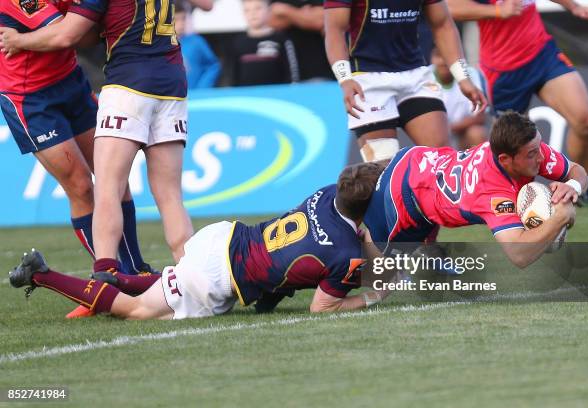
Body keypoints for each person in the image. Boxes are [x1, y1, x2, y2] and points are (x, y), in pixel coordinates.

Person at [9, 163, 391, 319]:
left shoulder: (328, 193)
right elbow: (321, 309)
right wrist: (373, 296)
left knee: (166, 282)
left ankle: (122, 278)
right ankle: (42, 275)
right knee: (138, 311)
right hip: (218, 275)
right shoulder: (344, 253)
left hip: (224, 237)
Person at [0, 0, 195, 275]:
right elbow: (69, 32)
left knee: (112, 186)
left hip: (93, 82)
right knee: (83, 187)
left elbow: (71, 34)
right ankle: (116, 278)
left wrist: (19, 40)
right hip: (31, 97)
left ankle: (128, 271)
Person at [447, 0, 588, 225]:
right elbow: (448, 7)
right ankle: (517, 211)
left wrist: (572, 6)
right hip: (503, 71)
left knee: (587, 119)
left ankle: (584, 191)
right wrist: (496, 10)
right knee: (512, 150)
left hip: (541, 53)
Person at [364, 112, 587, 268]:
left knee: (427, 265)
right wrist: (559, 218)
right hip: (400, 200)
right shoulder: (492, 193)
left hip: (420, 165)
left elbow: (578, 171)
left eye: (539, 147)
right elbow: (519, 255)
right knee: (369, 272)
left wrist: (572, 186)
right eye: (532, 154)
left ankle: (427, 253)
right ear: (505, 159)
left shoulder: (524, 146)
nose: (541, 156)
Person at [324, 0, 488, 164]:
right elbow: (334, 30)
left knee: (443, 160)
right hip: (368, 80)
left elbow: (443, 24)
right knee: (383, 171)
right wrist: (345, 79)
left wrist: (463, 77)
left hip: (414, 75)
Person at [229, 0, 299, 86]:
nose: (253, 14)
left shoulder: (282, 40)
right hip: (247, 97)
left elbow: (292, 74)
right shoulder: (238, 43)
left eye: (258, 8)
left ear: (268, 11)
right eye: (247, 10)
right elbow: (233, 76)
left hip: (277, 96)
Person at [431, 47, 487, 149]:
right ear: (431, 58)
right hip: (435, 137)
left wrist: (449, 128)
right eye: (439, 56)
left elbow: (480, 117)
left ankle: (479, 164)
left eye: (447, 57)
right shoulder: (424, 77)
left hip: (461, 135)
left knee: (477, 133)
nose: (443, 61)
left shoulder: (471, 74)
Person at [268, 0, 334, 81]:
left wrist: (286, 10)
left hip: (324, 72)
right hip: (287, 73)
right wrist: (305, 16)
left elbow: (322, 21)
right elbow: (271, 22)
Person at [175, 2, 221, 89]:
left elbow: (213, 65)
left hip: (196, 97)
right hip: (171, 99)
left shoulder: (196, 42)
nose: (181, 23)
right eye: (175, 20)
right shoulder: (159, 45)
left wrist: (203, 88)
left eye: (183, 19)